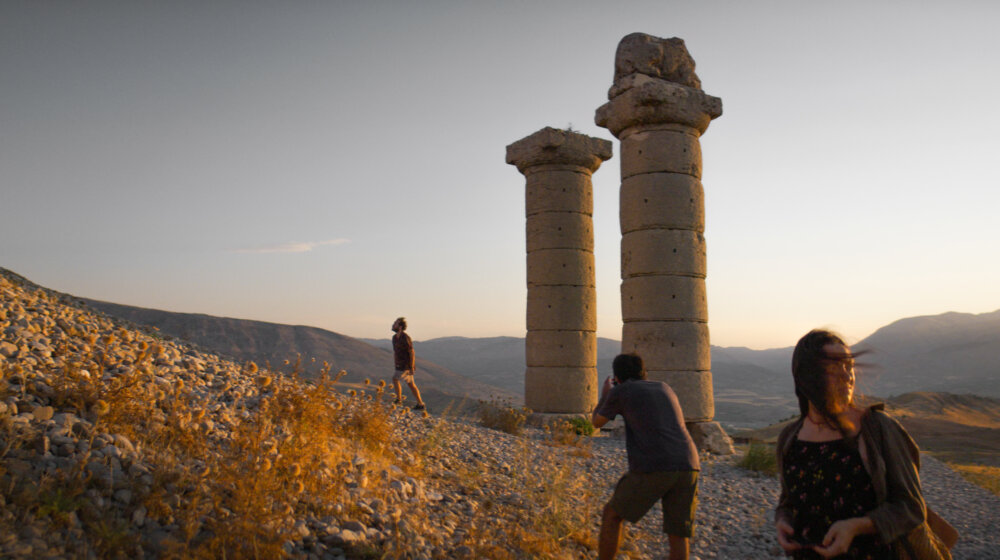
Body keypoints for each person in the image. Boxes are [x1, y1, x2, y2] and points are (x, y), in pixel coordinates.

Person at [774, 329, 933, 559]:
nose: (847, 376)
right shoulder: (790, 438)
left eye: (848, 367)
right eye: (834, 368)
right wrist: (783, 520)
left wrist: (856, 526)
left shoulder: (877, 430)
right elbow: (789, 501)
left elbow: (911, 508)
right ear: (807, 376)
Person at [592, 353, 700, 560]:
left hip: (655, 464)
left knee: (612, 515)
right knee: (678, 534)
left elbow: (596, 423)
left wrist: (605, 395)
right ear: (644, 373)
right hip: (689, 462)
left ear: (617, 378)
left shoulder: (621, 391)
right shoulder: (664, 387)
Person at [391, 317, 425, 410]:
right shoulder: (394, 338)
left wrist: (412, 367)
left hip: (406, 365)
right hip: (399, 364)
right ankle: (420, 404)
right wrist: (395, 362)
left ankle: (398, 399)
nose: (393, 325)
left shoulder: (405, 337)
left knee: (395, 379)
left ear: (400, 327)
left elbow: (411, 352)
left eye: (395, 323)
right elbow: (395, 352)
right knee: (411, 384)